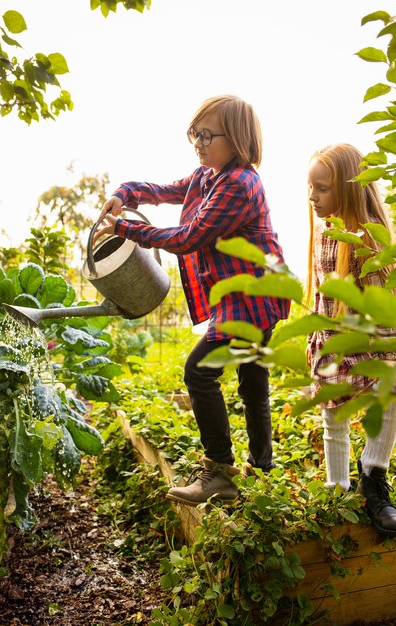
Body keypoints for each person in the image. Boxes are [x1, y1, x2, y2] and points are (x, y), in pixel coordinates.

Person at [94, 95, 290, 506]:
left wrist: (128, 230)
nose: (198, 143)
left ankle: (220, 472)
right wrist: (124, 193)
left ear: (237, 138)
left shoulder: (240, 184)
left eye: (207, 135)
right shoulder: (206, 176)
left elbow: (190, 237)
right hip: (239, 296)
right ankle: (263, 469)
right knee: (253, 383)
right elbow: (165, 191)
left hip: (253, 299)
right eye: (193, 134)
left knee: (199, 373)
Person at [307, 142, 396, 537]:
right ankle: (338, 489)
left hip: (371, 342)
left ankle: (373, 480)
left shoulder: (368, 240)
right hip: (332, 340)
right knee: (334, 415)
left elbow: (382, 305)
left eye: (322, 188)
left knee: (392, 393)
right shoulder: (324, 230)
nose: (312, 196)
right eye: (310, 187)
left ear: (349, 188)